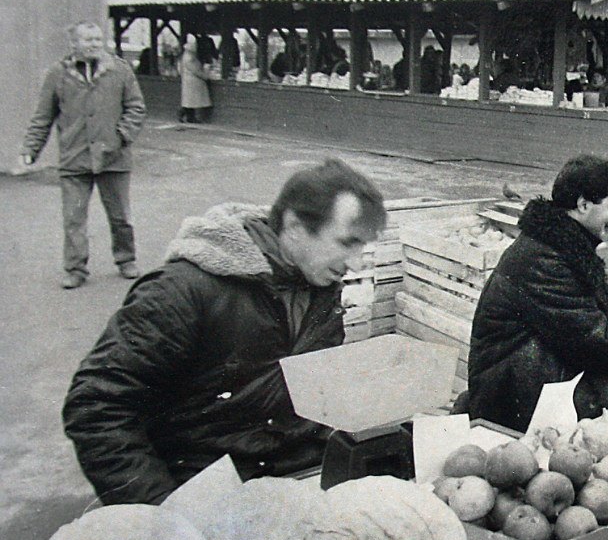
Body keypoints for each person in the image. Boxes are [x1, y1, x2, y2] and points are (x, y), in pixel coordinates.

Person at [61, 159, 387, 505]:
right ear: (293, 226)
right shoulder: (182, 292)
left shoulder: (320, 283)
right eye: (346, 243)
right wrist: (162, 512)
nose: (356, 262)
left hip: (292, 485)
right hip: (198, 497)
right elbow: (96, 405)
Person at [467, 155, 608, 433]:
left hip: (536, 375)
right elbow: (594, 341)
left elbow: (580, 325)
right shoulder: (545, 259)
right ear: (582, 205)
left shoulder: (555, 246)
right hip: (510, 395)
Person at [20, 21, 147, 290]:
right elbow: (43, 117)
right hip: (74, 159)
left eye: (98, 40)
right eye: (88, 40)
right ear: (74, 44)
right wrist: (30, 149)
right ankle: (75, 269)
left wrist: (121, 136)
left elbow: (136, 108)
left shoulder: (120, 71)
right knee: (74, 218)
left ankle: (126, 259)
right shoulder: (57, 75)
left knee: (120, 216)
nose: (95, 45)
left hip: (114, 159)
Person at [179, 37, 216, 123]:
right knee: (191, 101)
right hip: (193, 82)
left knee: (190, 102)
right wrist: (205, 76)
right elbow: (196, 70)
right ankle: (184, 114)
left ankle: (189, 117)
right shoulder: (190, 58)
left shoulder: (187, 56)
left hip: (190, 82)